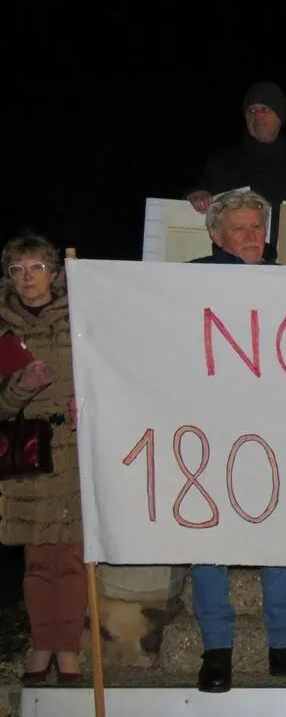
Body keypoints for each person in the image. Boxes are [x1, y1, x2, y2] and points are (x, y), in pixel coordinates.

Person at [187, 191, 286, 692]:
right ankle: (217, 648)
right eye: (240, 229)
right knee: (208, 534)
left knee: (278, 528)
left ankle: (285, 643)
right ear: (216, 236)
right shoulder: (182, 284)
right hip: (210, 428)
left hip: (275, 426)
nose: (253, 236)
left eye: (258, 227)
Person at [0, 231, 84, 684]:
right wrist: (22, 385)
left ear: (53, 272)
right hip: (28, 454)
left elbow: (105, 376)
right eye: (18, 269)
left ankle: (67, 650)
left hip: (73, 450)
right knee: (37, 561)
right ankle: (41, 645)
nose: (27, 277)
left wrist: (88, 404)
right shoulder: (4, 328)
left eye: (36, 267)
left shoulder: (81, 316)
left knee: (70, 558)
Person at [186, 81, 286, 259]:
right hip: (232, 267)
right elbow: (197, 202)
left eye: (265, 110)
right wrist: (195, 196)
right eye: (252, 111)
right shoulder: (222, 161)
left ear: (280, 118)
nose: (258, 116)